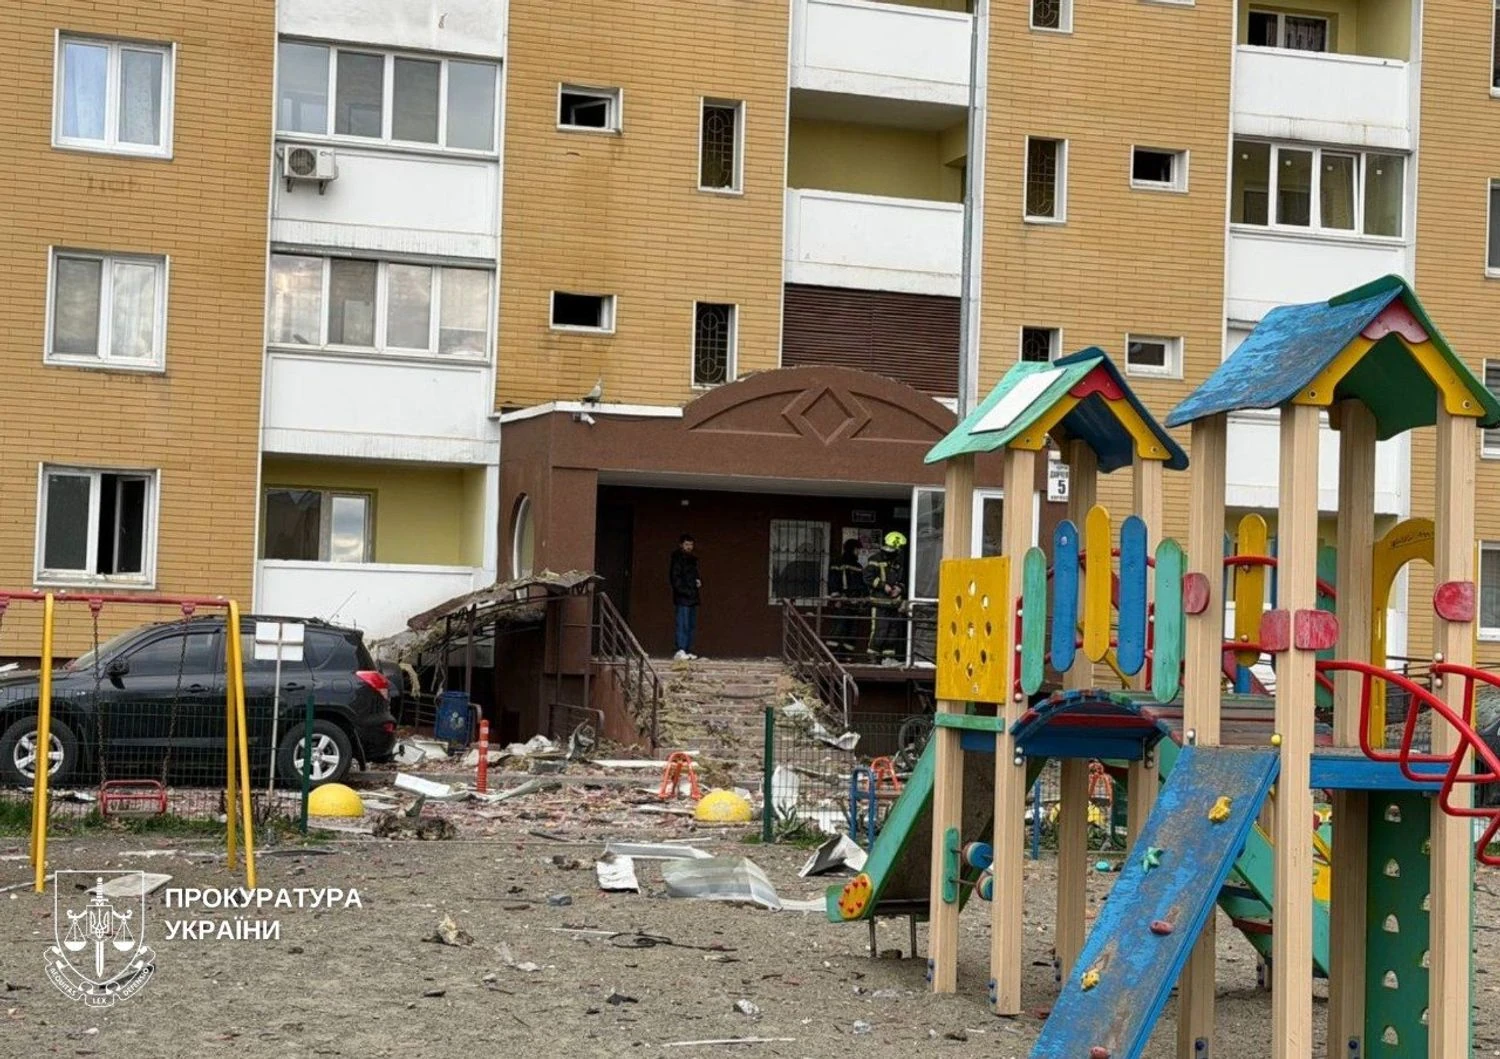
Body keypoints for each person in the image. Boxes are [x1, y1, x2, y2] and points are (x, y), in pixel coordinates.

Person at [864, 530, 907, 665]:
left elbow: (903, 579)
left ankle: (887, 658)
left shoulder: (897, 561)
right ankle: (872, 657)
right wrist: (884, 586)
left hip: (894, 604)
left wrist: (899, 588)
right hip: (879, 603)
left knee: (892, 632)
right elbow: (868, 578)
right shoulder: (875, 559)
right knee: (879, 630)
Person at [826, 538, 865, 658]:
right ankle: (831, 655)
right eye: (857, 549)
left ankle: (846, 655)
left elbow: (861, 584)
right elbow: (833, 581)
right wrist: (837, 598)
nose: (859, 552)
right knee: (839, 627)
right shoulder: (838, 563)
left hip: (855, 602)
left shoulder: (858, 566)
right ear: (852, 549)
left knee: (852, 630)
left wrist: (862, 599)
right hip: (843, 601)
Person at [669, 534, 702, 661]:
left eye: (691, 544)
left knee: (690, 624)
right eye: (687, 544)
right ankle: (680, 649)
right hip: (683, 597)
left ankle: (687, 649)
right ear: (681, 545)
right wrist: (684, 591)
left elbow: (693, 575)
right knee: (683, 624)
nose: (689, 547)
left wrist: (697, 581)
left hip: (692, 596)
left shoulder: (692, 560)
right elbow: (675, 578)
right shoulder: (677, 559)